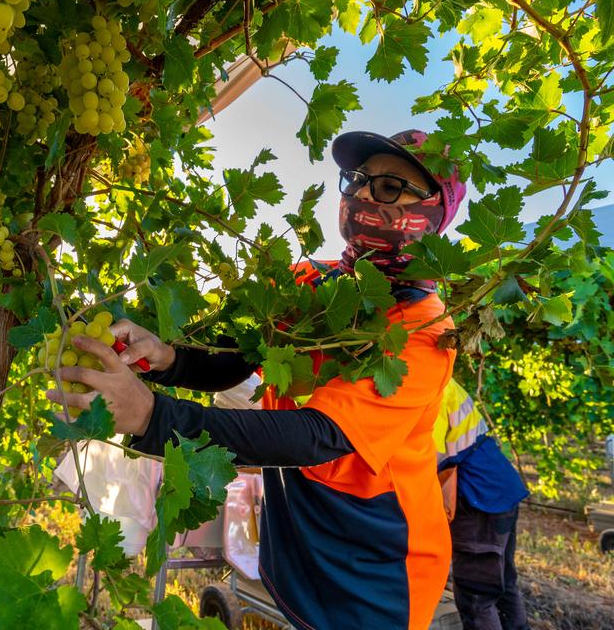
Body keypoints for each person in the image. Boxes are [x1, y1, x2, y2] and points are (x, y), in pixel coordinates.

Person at [47, 129, 468, 630]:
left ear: (434, 213)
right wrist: (167, 357)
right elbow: (235, 356)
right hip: (298, 549)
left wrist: (153, 416)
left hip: (375, 574)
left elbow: (316, 436)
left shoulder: (422, 330)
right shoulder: (312, 284)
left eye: (389, 188)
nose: (359, 196)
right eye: (356, 181)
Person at [435, 379, 530, 630]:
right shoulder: (445, 380)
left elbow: (429, 459)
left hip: (479, 497)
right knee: (505, 583)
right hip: (499, 483)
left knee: (477, 597)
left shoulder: (425, 386)